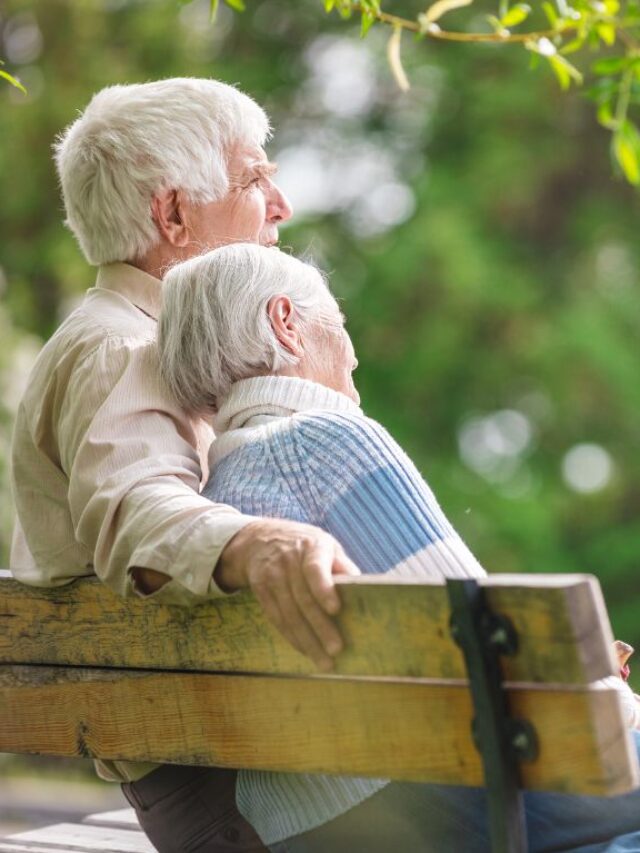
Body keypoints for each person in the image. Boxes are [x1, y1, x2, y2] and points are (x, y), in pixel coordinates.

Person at [157, 242, 640, 853]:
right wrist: (621, 706)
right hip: (429, 797)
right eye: (340, 322)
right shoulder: (325, 439)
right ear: (286, 324)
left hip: (297, 826)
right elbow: (493, 652)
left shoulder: (216, 494)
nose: (354, 352)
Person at [9, 79, 360, 853]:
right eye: (254, 178)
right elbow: (137, 509)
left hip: (248, 755)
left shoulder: (158, 344)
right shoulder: (124, 347)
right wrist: (258, 543)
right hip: (229, 789)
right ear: (173, 215)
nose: (281, 205)